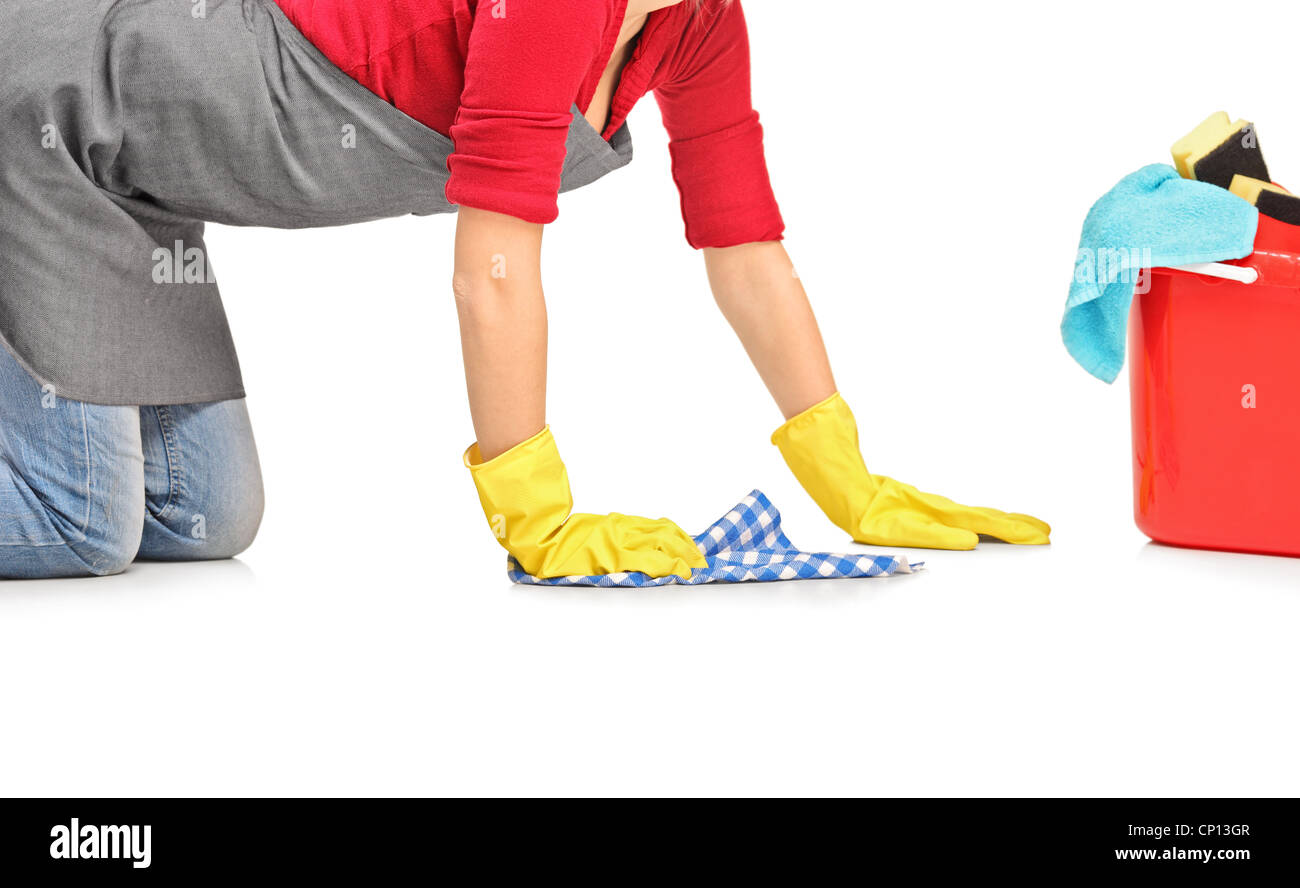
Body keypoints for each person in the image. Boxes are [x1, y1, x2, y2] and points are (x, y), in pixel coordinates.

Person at [0, 0, 1048, 580]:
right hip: (44, 118)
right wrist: (532, 511)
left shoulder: (697, 24)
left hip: (131, 190)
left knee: (203, 519)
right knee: (85, 524)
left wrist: (844, 472)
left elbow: (746, 250)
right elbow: (491, 272)